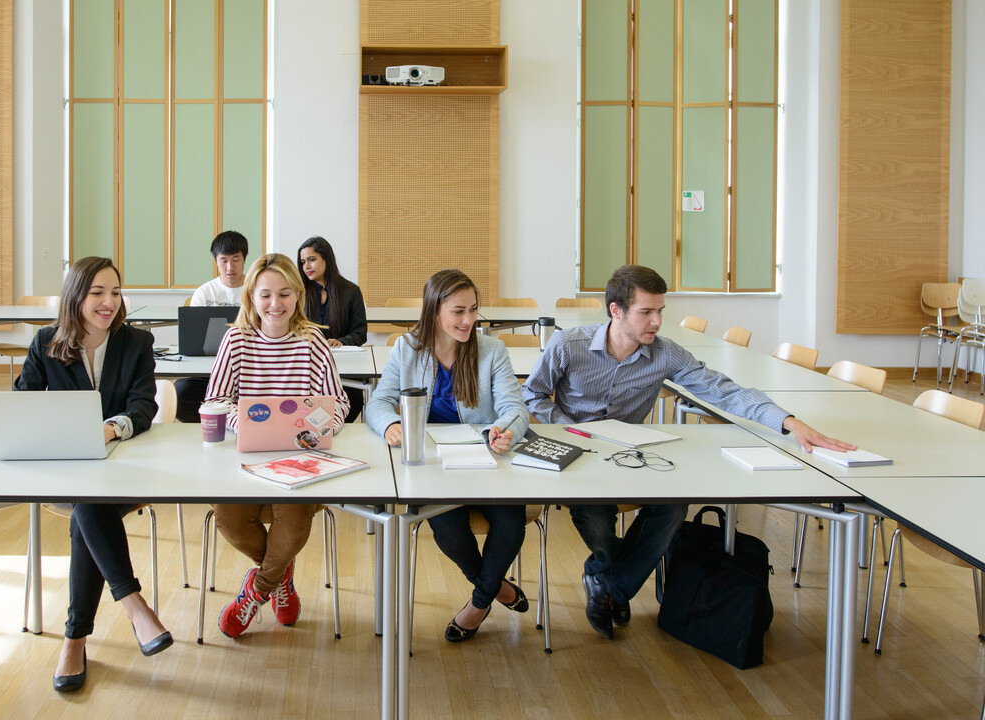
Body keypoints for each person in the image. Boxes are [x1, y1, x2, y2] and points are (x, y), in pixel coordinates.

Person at [521, 264, 854, 640]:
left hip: (629, 453)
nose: (657, 321)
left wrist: (789, 422)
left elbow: (724, 391)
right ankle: (611, 579)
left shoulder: (665, 354)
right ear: (615, 311)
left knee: (674, 505)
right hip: (577, 451)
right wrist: (572, 428)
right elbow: (533, 393)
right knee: (594, 514)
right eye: (646, 312)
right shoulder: (569, 344)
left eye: (660, 311)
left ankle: (608, 584)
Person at [14, 256, 172, 691]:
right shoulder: (46, 342)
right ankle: (133, 605)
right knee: (87, 500)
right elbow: (23, 404)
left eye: (116, 292)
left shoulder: (136, 342)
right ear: (75, 296)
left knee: (89, 506)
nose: (108, 302)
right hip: (64, 471)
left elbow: (144, 407)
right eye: (97, 293)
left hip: (125, 471)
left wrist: (108, 429)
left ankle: (74, 638)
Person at [366, 269, 531, 642]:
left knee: (511, 525)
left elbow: (515, 408)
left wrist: (503, 430)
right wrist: (391, 424)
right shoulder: (407, 349)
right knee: (450, 532)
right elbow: (379, 402)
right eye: (458, 311)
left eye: (473, 310)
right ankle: (498, 589)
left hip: (487, 460)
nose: (469, 320)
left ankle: (477, 603)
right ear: (434, 310)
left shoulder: (492, 351)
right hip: (433, 465)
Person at [204, 253, 349, 638]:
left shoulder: (313, 341)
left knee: (296, 517)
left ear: (298, 295)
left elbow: (339, 403)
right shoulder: (236, 339)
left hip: (301, 458)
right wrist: (244, 424)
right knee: (228, 517)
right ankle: (280, 579)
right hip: (247, 456)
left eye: (284, 294)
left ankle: (255, 592)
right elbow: (215, 402)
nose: (275, 304)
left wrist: (319, 429)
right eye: (266, 295)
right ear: (251, 296)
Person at [175, 230, 248, 422]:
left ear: (245, 259)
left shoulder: (256, 289)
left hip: (248, 366)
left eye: (236, 259)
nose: (230, 267)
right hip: (210, 366)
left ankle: (236, 425)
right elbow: (194, 339)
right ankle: (213, 425)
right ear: (216, 260)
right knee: (180, 394)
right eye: (223, 260)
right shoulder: (204, 292)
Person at [297, 236, 368, 422]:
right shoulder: (298, 293)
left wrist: (341, 341)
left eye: (312, 260)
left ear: (327, 259)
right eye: (303, 262)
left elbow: (360, 333)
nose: (306, 266)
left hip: (343, 365)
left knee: (349, 406)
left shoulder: (351, 291)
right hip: (308, 365)